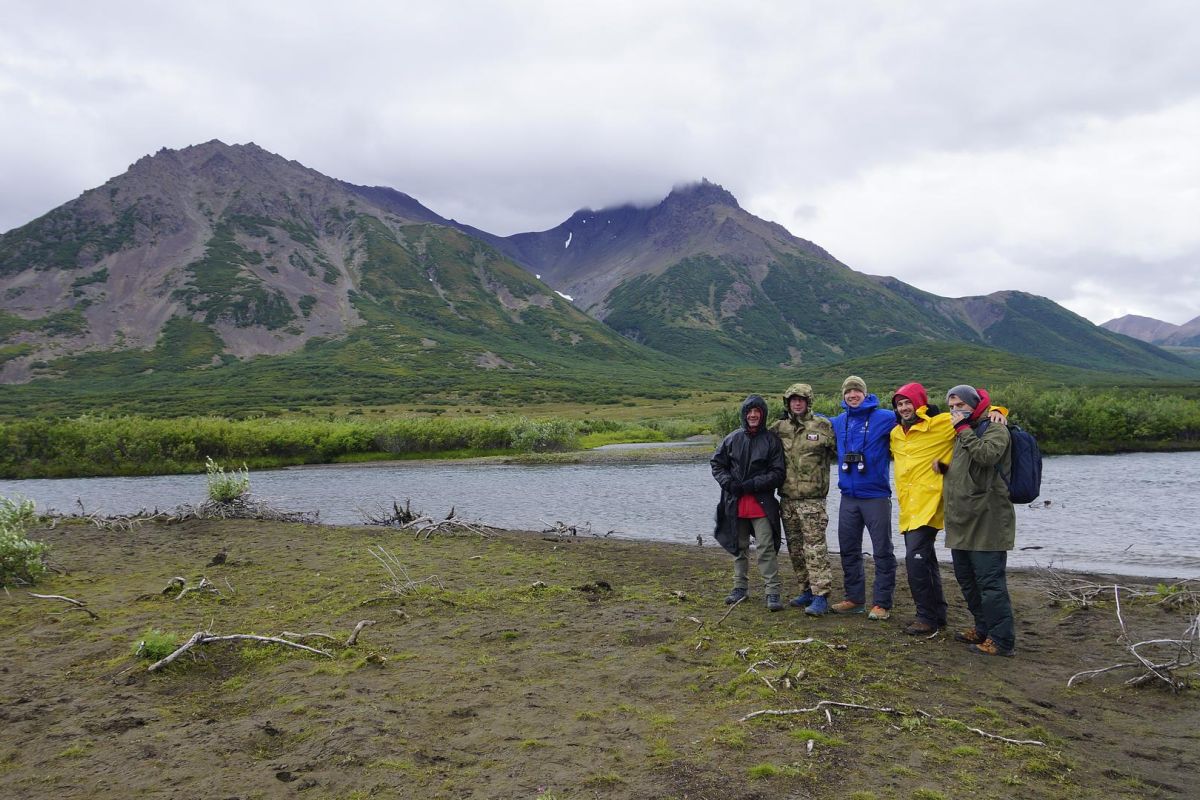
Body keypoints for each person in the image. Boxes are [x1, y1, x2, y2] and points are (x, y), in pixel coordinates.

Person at [891, 383, 1009, 635]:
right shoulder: (895, 434)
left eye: (908, 402)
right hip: (910, 506)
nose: (904, 408)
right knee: (932, 563)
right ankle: (939, 614)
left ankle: (927, 617)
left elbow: (978, 415)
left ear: (920, 402)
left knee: (916, 560)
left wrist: (999, 410)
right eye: (899, 404)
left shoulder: (945, 422)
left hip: (933, 504)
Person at [941, 384, 1017, 657]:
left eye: (960, 405)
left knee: (990, 583)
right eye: (951, 407)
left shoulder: (995, 427)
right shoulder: (963, 431)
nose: (955, 411)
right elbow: (964, 469)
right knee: (967, 579)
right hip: (962, 520)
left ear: (973, 405)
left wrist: (963, 429)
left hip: (988, 519)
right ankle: (982, 628)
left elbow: (987, 456)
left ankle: (1002, 641)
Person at [828, 376, 897, 619]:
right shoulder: (839, 421)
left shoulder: (885, 417)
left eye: (857, 390)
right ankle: (854, 599)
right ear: (843, 395)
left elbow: (914, 418)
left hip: (876, 496)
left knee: (882, 551)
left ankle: (882, 604)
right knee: (848, 549)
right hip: (848, 497)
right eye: (848, 391)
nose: (852, 395)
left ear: (865, 394)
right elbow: (811, 423)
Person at [711, 395, 787, 611]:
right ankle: (739, 588)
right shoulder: (731, 439)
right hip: (734, 502)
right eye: (749, 412)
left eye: (757, 412)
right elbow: (717, 464)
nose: (753, 415)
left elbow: (778, 473)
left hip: (761, 503)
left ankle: (772, 592)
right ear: (744, 414)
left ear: (762, 415)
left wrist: (753, 484)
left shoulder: (772, 440)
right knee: (739, 547)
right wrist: (728, 482)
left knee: (766, 547)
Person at [769, 383, 837, 616]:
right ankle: (806, 590)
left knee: (815, 548)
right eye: (792, 400)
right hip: (787, 500)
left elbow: (843, 453)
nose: (797, 403)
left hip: (813, 500)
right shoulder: (779, 428)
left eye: (801, 399)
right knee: (796, 549)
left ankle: (821, 596)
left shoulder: (823, 426)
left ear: (809, 402)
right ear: (787, 403)